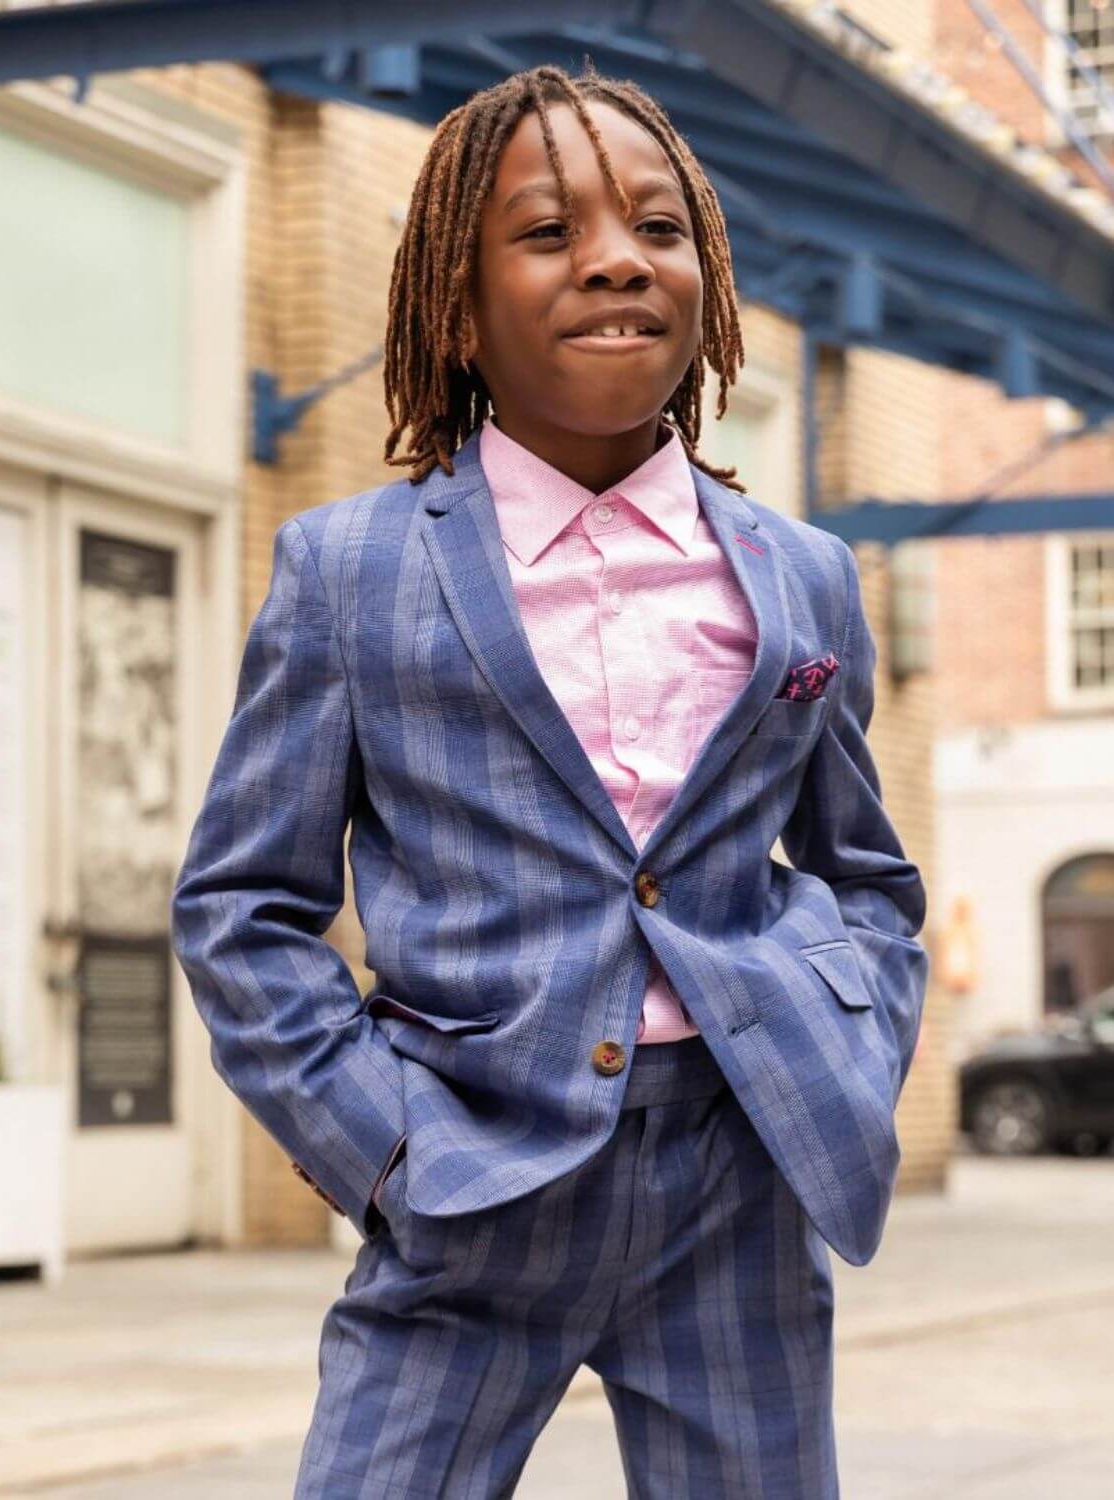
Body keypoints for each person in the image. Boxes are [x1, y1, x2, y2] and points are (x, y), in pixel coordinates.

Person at [171, 59, 930, 1499]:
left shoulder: (805, 580)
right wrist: (381, 1149)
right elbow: (241, 907)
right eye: (547, 233)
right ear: (457, 306)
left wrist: (839, 1062)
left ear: (706, 274)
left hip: (735, 1174)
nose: (613, 262)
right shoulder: (351, 571)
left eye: (658, 227)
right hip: (468, 1173)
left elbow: (866, 874)